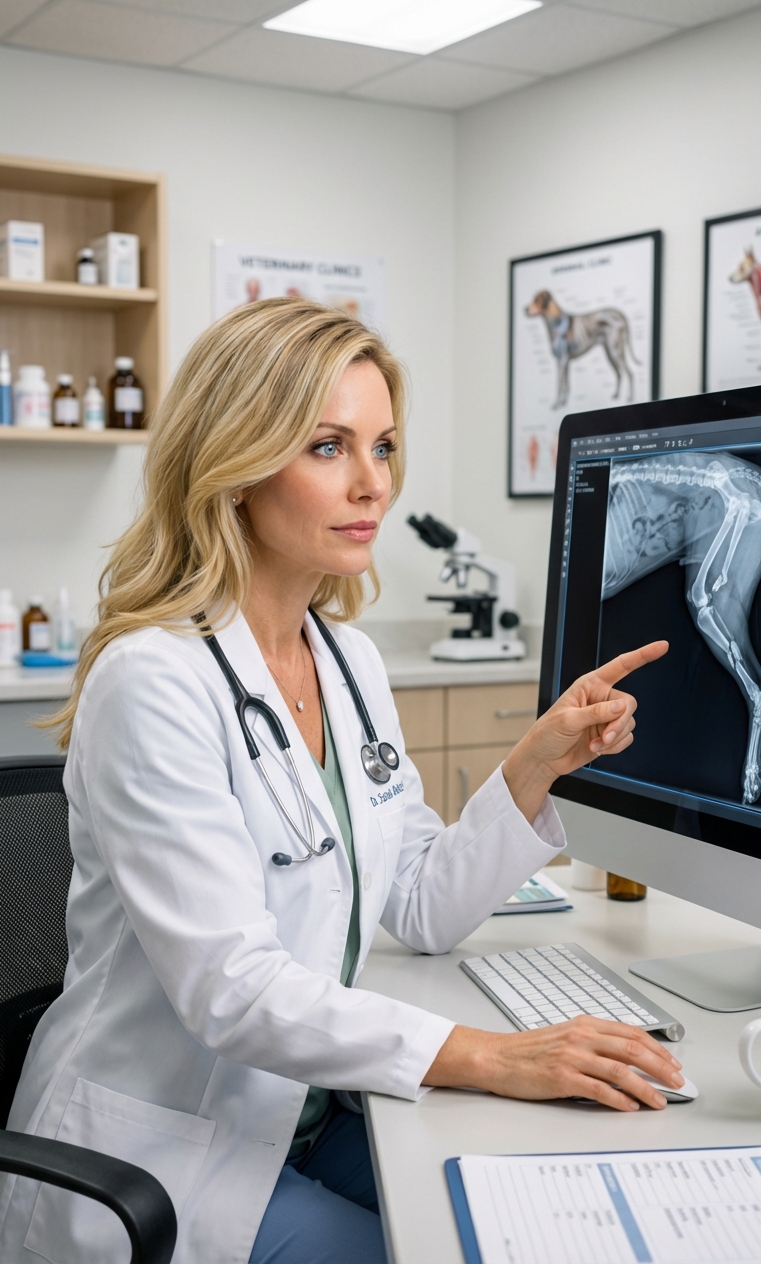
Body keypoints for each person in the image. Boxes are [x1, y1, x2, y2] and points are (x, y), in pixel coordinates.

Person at [0, 298, 682, 1264]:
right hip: (163, 1152)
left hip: (307, 1112)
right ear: (234, 465)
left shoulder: (349, 661)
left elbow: (418, 902)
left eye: (385, 446)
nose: (373, 485)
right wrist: (492, 1055)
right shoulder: (152, 678)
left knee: (547, 1207)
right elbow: (231, 990)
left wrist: (536, 764)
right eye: (328, 447)